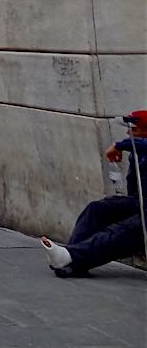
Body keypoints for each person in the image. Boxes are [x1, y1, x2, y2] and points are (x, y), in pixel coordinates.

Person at [41, 110, 147, 277]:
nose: (128, 133)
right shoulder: (137, 151)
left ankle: (71, 258)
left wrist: (120, 146)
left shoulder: (138, 146)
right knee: (98, 209)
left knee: (127, 229)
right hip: (140, 202)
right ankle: (71, 260)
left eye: (134, 129)